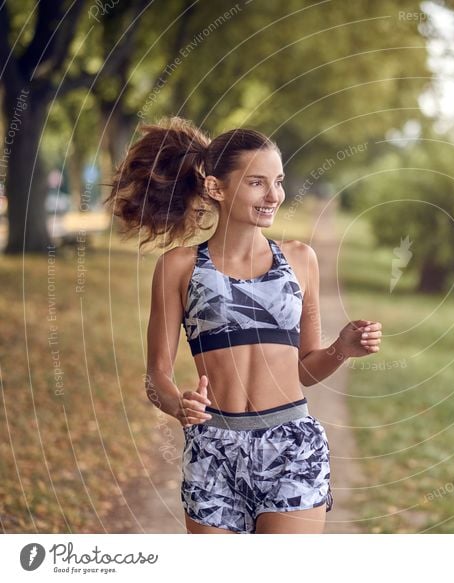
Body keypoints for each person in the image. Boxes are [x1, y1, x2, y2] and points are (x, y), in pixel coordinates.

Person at [104, 116, 381, 534]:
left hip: (292, 447)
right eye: (257, 182)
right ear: (217, 188)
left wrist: (341, 349)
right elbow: (155, 375)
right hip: (212, 450)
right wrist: (176, 404)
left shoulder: (300, 260)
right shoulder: (178, 268)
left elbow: (304, 370)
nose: (274, 195)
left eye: (279, 181)